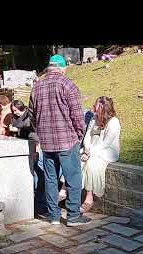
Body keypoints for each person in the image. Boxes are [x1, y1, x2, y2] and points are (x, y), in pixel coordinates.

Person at [29, 54, 91, 226]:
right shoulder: (67, 84)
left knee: (50, 179)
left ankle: (54, 216)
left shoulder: (37, 86)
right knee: (74, 178)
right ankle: (73, 216)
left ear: (49, 67)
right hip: (67, 141)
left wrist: (41, 133)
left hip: (47, 143)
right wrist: (79, 134)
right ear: (62, 68)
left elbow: (32, 116)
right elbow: (78, 116)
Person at [80, 96, 121, 213]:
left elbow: (106, 143)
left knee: (91, 164)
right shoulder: (93, 118)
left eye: (96, 105)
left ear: (102, 107)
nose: (93, 107)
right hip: (90, 149)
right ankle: (65, 190)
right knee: (77, 160)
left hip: (107, 152)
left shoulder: (114, 122)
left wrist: (90, 153)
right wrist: (87, 149)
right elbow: (87, 136)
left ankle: (89, 198)